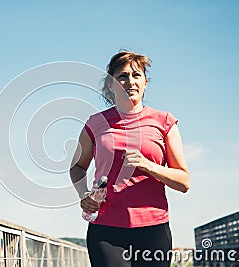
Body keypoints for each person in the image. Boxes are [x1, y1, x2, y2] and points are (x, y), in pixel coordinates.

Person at [70, 51, 190, 266]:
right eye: (122, 76)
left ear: (145, 82)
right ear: (111, 85)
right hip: (106, 230)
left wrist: (147, 165)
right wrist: (84, 194)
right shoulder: (95, 123)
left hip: (153, 229)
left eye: (136, 75)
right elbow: (78, 166)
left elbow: (183, 182)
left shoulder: (164, 122)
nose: (130, 81)